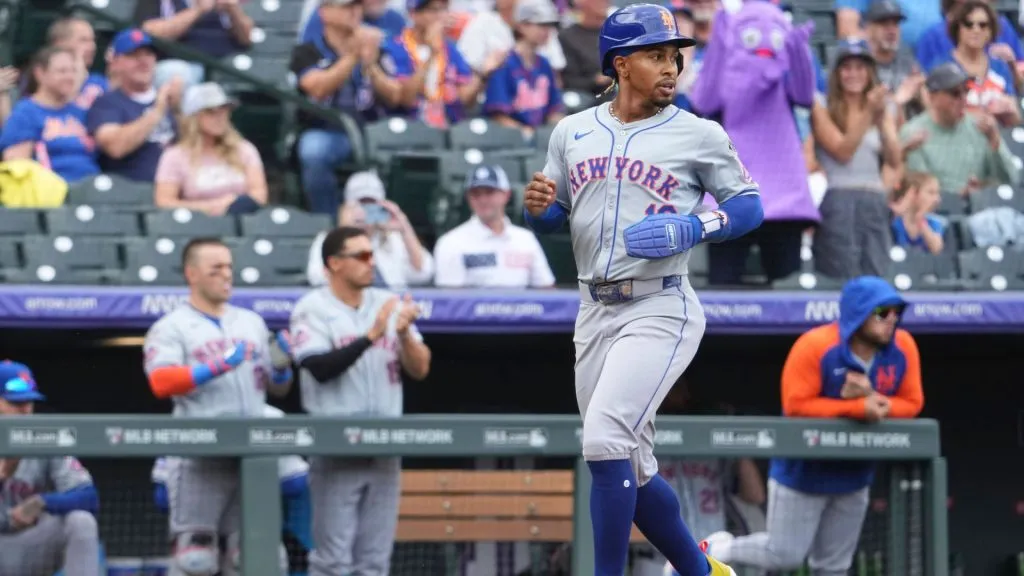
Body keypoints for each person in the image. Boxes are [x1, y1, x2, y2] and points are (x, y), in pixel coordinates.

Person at [522, 4, 764, 575]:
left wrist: (696, 224)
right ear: (621, 63)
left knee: (604, 440)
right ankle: (704, 573)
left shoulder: (698, 133)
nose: (671, 67)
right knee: (631, 460)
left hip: (660, 302)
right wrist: (538, 213)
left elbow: (749, 205)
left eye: (675, 56)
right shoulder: (572, 130)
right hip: (593, 307)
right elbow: (557, 214)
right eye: (656, 55)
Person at [704, 276, 925, 576]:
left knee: (833, 568)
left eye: (896, 312)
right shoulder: (816, 345)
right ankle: (719, 549)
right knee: (784, 556)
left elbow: (912, 402)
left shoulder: (904, 347)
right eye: (883, 312)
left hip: (855, 473)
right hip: (802, 473)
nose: (892, 320)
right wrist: (858, 407)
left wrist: (874, 399)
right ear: (859, 313)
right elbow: (795, 405)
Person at [142, 237, 294, 576]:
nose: (227, 275)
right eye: (216, 269)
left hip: (252, 457)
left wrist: (282, 367)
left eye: (229, 267)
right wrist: (213, 367)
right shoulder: (171, 327)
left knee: (258, 556)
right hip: (200, 453)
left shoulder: (251, 322)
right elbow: (161, 383)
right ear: (192, 274)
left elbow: (277, 389)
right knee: (195, 561)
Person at [289, 226, 431, 576]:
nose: (372, 263)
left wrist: (402, 336)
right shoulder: (312, 308)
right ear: (335, 263)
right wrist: (372, 334)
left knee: (374, 563)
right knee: (332, 561)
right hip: (336, 448)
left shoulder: (388, 302)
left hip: (385, 447)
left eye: (373, 254)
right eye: (362, 256)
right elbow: (318, 367)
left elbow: (421, 368)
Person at [150, 405, 311, 574]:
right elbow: (294, 485)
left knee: (244, 557)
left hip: (232, 526)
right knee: (198, 560)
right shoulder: (187, 417)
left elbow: (294, 483)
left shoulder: (268, 416)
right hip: (219, 523)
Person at [291, 0, 403, 216]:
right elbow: (317, 88)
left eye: (357, 6)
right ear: (324, 13)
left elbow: (394, 96)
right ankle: (329, 222)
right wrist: (352, 57)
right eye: (346, 6)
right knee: (313, 150)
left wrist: (370, 64)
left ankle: (382, 224)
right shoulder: (309, 50)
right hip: (327, 130)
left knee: (405, 150)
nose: (354, 11)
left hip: (372, 131)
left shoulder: (375, 49)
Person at [810, 39, 902, 280]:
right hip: (838, 197)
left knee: (877, 275)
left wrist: (882, 122)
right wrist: (869, 112)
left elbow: (894, 159)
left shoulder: (883, 107)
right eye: (847, 67)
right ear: (837, 72)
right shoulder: (822, 106)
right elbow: (842, 151)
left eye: (860, 68)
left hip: (873, 196)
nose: (854, 74)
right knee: (841, 275)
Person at [0, 361, 101, 576]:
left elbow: (89, 497)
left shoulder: (42, 437)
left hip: (26, 547)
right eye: (15, 403)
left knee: (81, 522)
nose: (26, 410)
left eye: (29, 402)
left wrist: (43, 502)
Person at [901, 62, 1020, 195]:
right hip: (937, 212)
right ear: (932, 97)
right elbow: (921, 190)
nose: (963, 99)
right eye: (955, 93)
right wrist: (959, 196)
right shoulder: (914, 132)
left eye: (966, 90)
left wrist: (994, 142)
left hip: (981, 209)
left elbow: (1011, 180)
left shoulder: (980, 127)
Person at [382, 0, 502, 128]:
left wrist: (483, 74)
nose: (441, 16)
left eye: (444, 9)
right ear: (414, 14)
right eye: (434, 10)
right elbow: (406, 99)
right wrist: (432, 55)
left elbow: (465, 100)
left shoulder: (451, 50)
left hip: (450, 130)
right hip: (409, 130)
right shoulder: (394, 48)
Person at [154, 82, 267, 215]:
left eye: (224, 110)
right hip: (196, 226)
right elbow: (164, 202)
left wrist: (234, 206)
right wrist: (212, 207)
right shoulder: (174, 156)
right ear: (194, 117)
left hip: (241, 221)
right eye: (211, 112)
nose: (220, 117)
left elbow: (259, 194)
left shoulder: (244, 149)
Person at [306, 171, 434, 288]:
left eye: (371, 205)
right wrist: (345, 234)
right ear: (347, 208)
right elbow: (317, 278)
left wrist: (404, 228)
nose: (365, 212)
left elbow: (423, 273)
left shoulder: (394, 239)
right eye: (361, 205)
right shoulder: (327, 239)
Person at [434, 164, 555, 288]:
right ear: (468, 198)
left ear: (506, 195)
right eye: (476, 194)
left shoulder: (525, 239)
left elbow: (547, 291)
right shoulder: (451, 242)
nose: (483, 199)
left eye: (489, 192)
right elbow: (450, 301)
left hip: (522, 307)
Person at [86, 29, 181, 182]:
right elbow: (115, 147)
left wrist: (178, 110)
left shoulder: (170, 99)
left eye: (148, 54)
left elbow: (192, 149)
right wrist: (157, 111)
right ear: (116, 63)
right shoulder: (107, 103)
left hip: (173, 189)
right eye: (133, 55)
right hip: (130, 193)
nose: (143, 62)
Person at [0, 47, 100, 183]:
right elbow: (16, 168)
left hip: (93, 188)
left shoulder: (80, 111)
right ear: (40, 73)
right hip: (51, 194)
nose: (70, 77)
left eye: (73, 71)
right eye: (62, 71)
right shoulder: (26, 113)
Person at [929, 0, 1021, 127]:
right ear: (958, 28)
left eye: (983, 25)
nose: (976, 30)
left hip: (997, 140)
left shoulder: (1000, 67)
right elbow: (937, 114)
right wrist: (984, 113)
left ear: (990, 31)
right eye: (968, 24)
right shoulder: (942, 67)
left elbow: (1015, 119)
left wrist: (1009, 111)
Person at [482, 0, 565, 135]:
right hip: (509, 141)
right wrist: (525, 133)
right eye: (541, 24)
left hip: (538, 138)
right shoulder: (504, 62)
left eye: (550, 25)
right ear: (521, 26)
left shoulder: (544, 63)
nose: (547, 30)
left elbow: (553, 111)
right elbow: (498, 116)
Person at [136, 0, 254, 89]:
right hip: (183, 63)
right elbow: (151, 33)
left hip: (224, 65)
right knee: (176, 73)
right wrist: (198, 10)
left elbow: (246, 38)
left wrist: (232, 9)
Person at [889, 171, 946, 254]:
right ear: (913, 194)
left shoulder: (934, 222)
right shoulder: (895, 221)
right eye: (931, 193)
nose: (937, 199)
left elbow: (936, 248)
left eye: (937, 193)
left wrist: (921, 222)